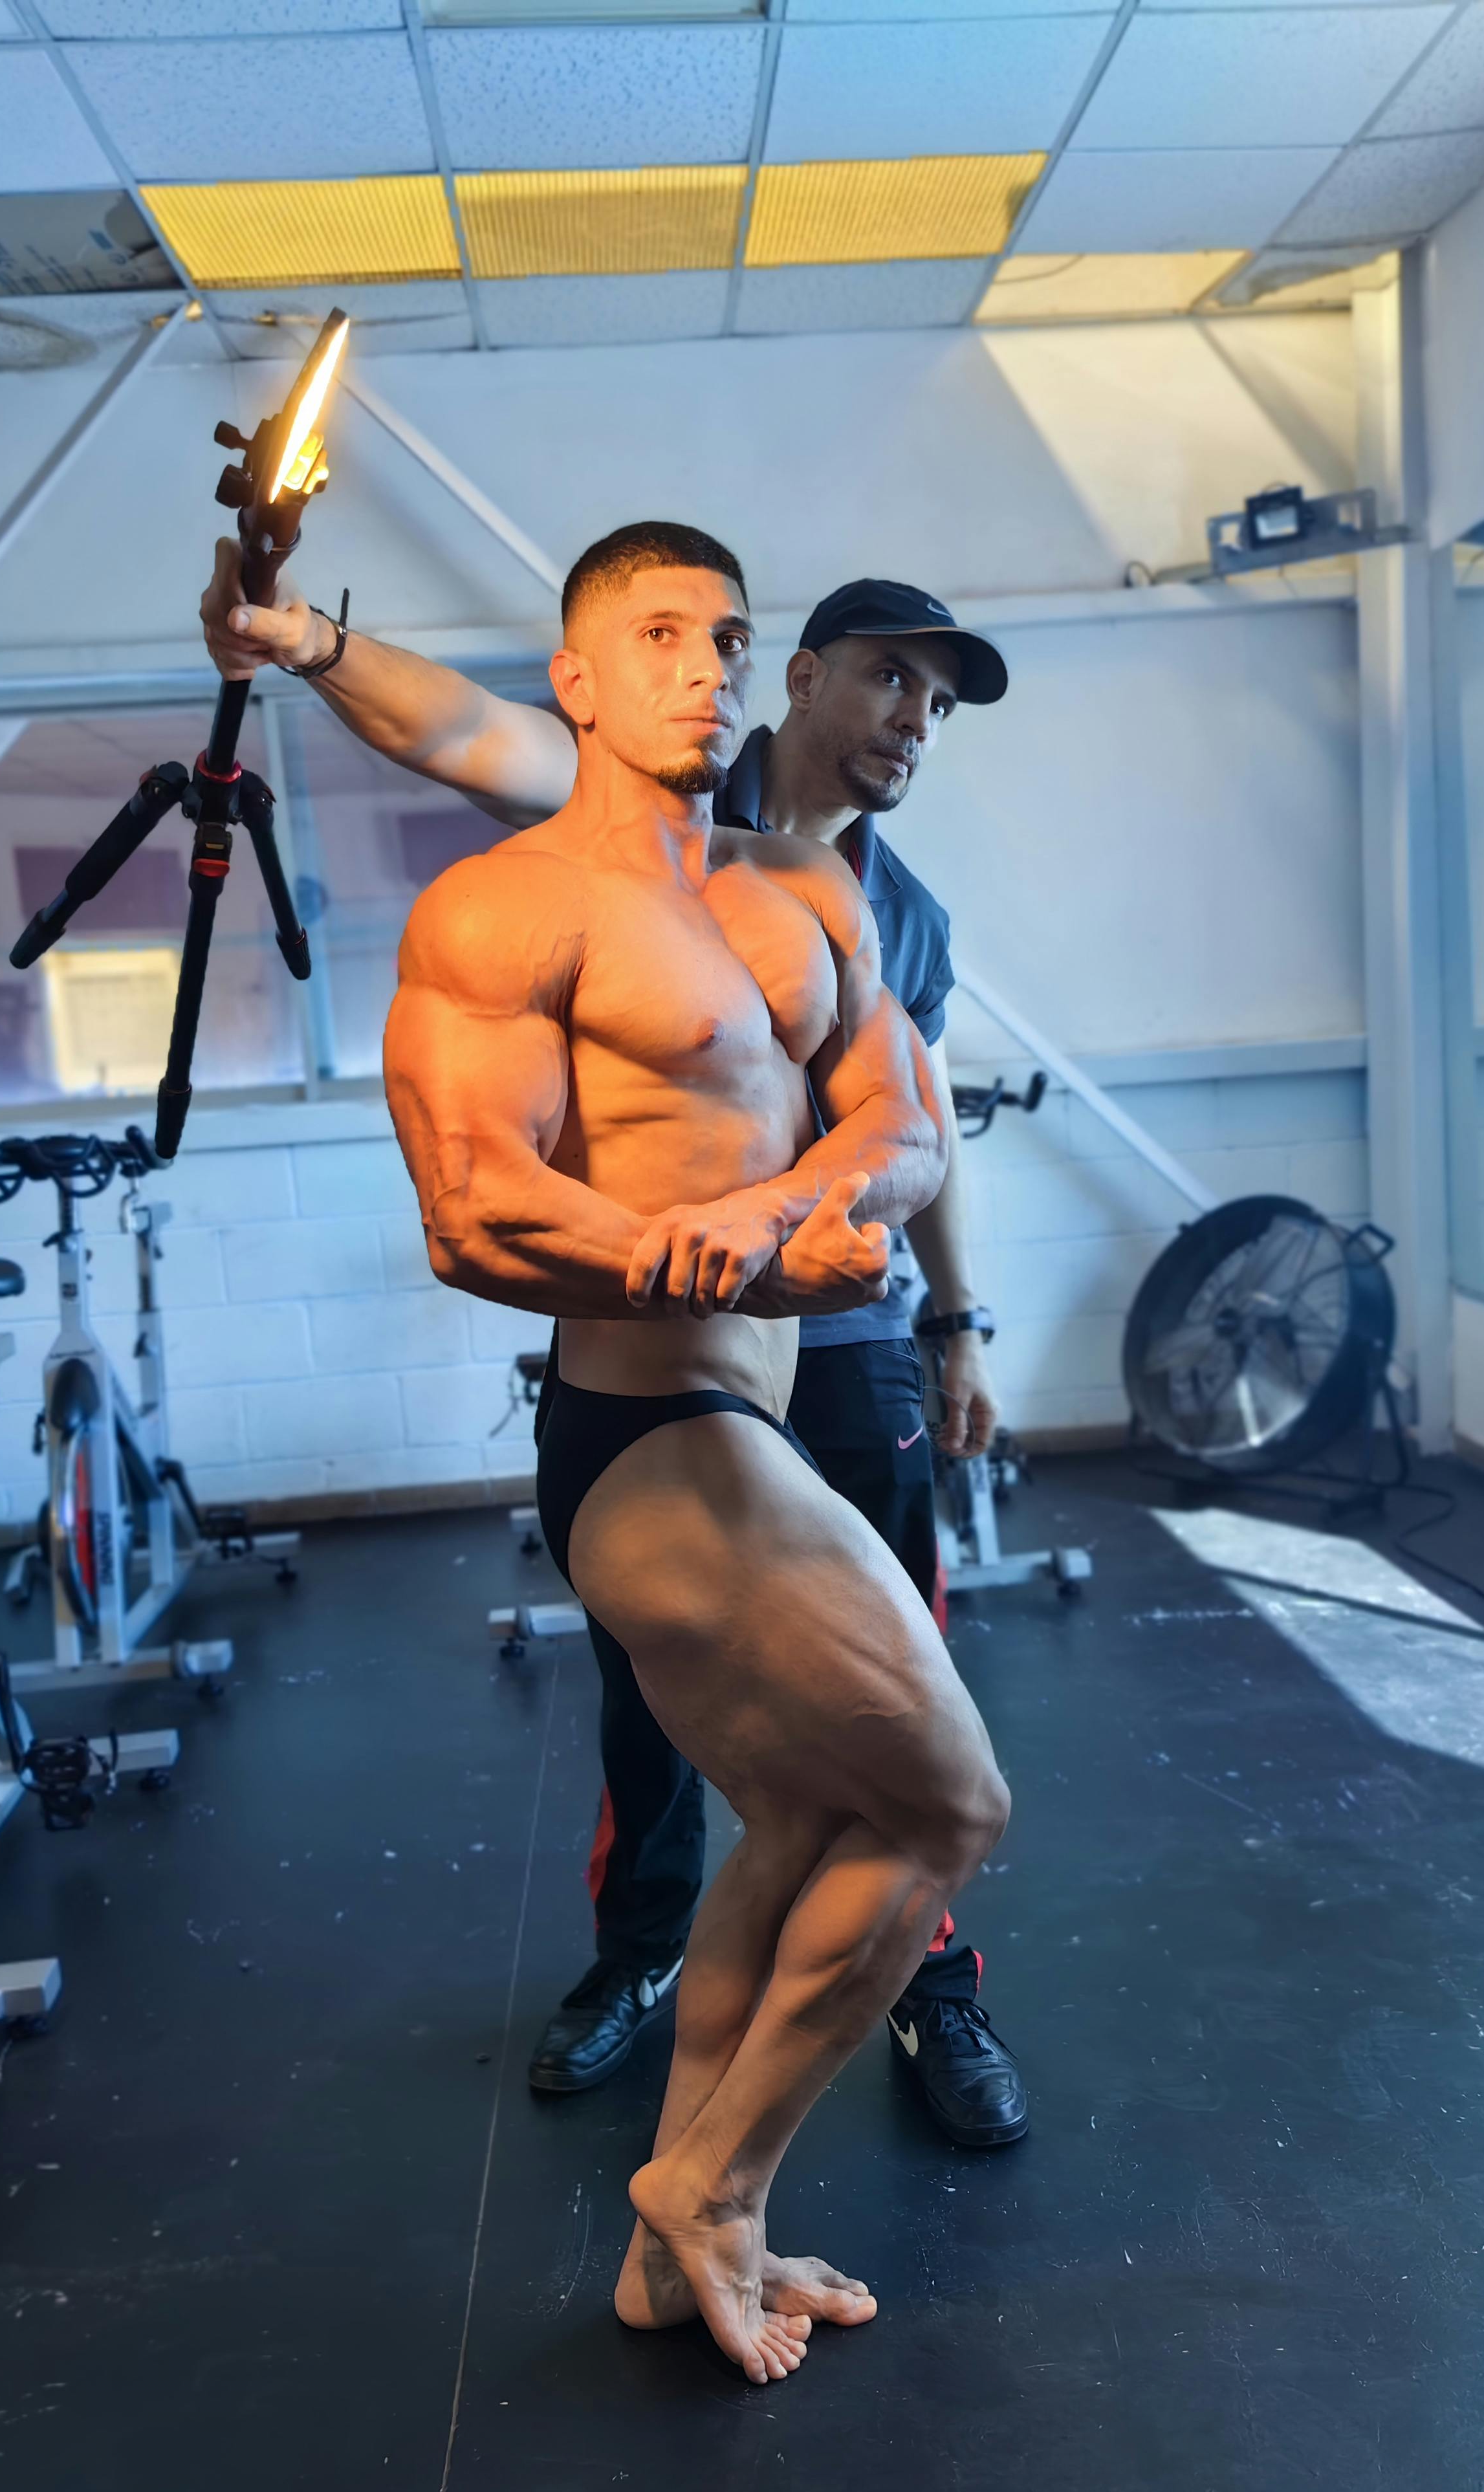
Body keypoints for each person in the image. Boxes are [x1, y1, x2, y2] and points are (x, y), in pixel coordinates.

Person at [201, 551, 1029, 2149]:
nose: (911, 722)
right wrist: (306, 635)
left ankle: (927, 1979)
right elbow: (460, 732)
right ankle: (642, 1954)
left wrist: (953, 1315)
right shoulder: (657, 794)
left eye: (936, 702)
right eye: (889, 679)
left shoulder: (894, 908)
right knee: (666, 1686)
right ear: (800, 674)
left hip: (841, 1327)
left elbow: (920, 1124)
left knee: (896, 1695)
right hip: (664, 1350)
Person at [382, 519, 1010, 2381]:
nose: (699, 665)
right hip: (654, 1420)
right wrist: (702, 1242)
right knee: (943, 1802)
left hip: (804, 1372)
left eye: (714, 637)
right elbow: (473, 1205)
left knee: (823, 1810)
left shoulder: (830, 898)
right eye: (664, 636)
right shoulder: (557, 880)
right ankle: (707, 2186)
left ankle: (683, 2233)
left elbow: (908, 1126)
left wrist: (857, 1231)